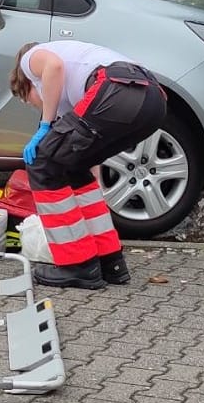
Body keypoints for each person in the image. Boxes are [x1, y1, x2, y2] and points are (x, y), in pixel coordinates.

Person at [9, 40, 167, 289]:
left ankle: (77, 265)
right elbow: (84, 159)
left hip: (116, 89)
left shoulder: (29, 59)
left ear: (28, 83)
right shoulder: (76, 94)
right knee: (69, 165)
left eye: (26, 98)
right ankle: (109, 262)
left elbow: (54, 66)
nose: (33, 104)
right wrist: (92, 194)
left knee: (43, 162)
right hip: (154, 101)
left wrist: (45, 125)